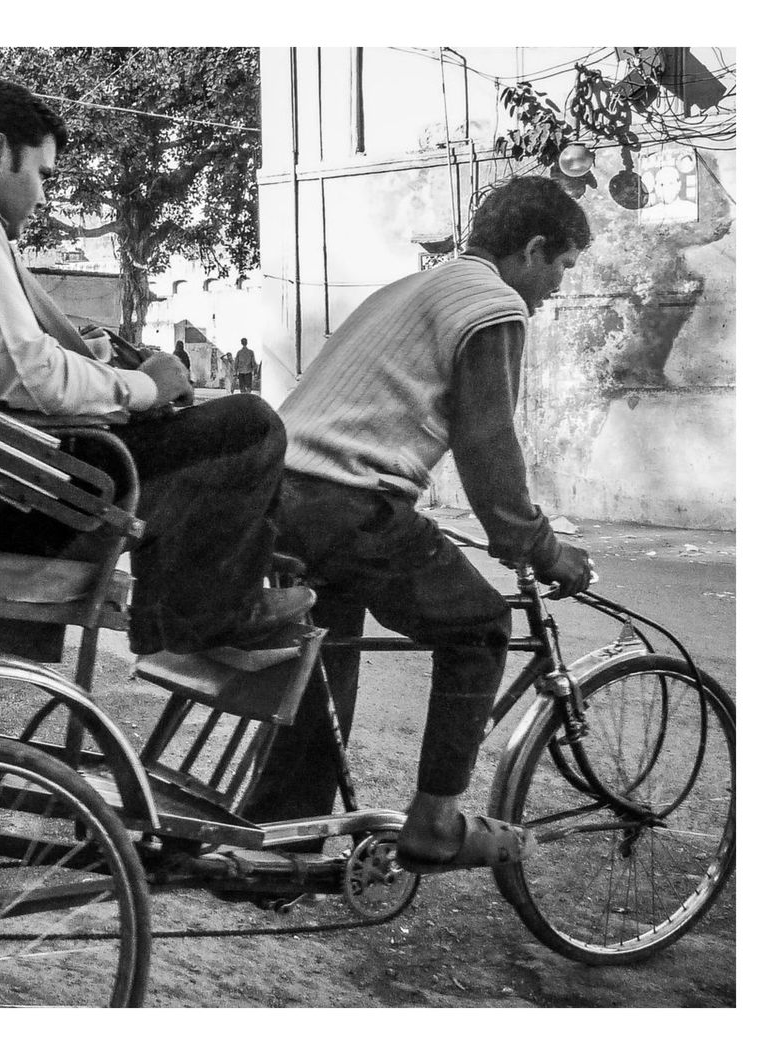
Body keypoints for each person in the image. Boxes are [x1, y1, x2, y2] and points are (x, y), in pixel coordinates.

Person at [0, 77, 310, 657]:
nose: (43, 196)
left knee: (188, 433)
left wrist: (102, 362)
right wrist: (146, 385)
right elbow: (30, 375)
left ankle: (191, 602)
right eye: (42, 174)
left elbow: (3, 356)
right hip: (2, 495)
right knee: (249, 424)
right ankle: (197, 615)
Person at [247, 175, 595, 874]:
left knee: (323, 660)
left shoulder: (409, 287)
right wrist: (538, 545)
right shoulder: (493, 302)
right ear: (532, 250)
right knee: (480, 626)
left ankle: (279, 845)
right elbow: (489, 448)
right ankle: (435, 822)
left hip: (276, 493)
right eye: (562, 266)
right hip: (351, 499)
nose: (558, 285)